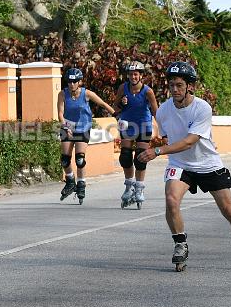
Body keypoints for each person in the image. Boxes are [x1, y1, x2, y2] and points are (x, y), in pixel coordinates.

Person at [138, 61, 231, 272]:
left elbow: (189, 141)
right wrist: (151, 146)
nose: (175, 90)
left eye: (179, 85)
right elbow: (168, 138)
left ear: (190, 86)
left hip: (207, 164)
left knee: (228, 210)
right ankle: (180, 243)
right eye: (171, 85)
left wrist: (158, 151)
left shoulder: (202, 108)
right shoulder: (163, 111)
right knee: (171, 199)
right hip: (180, 163)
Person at [57, 68, 117, 204]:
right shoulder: (62, 94)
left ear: (79, 82)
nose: (71, 84)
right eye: (69, 82)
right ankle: (70, 181)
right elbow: (60, 113)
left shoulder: (86, 94)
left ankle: (81, 184)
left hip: (83, 127)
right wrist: (65, 126)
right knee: (65, 160)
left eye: (74, 82)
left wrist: (116, 115)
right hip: (68, 126)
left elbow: (102, 104)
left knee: (79, 159)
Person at [113, 61, 159, 209]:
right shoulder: (123, 88)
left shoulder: (147, 91)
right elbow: (115, 106)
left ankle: (139, 188)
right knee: (125, 157)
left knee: (140, 158)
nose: (133, 76)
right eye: (131, 74)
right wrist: (122, 103)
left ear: (141, 76)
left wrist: (164, 130)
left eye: (136, 74)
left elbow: (156, 111)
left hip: (143, 125)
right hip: (128, 124)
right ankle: (128, 186)